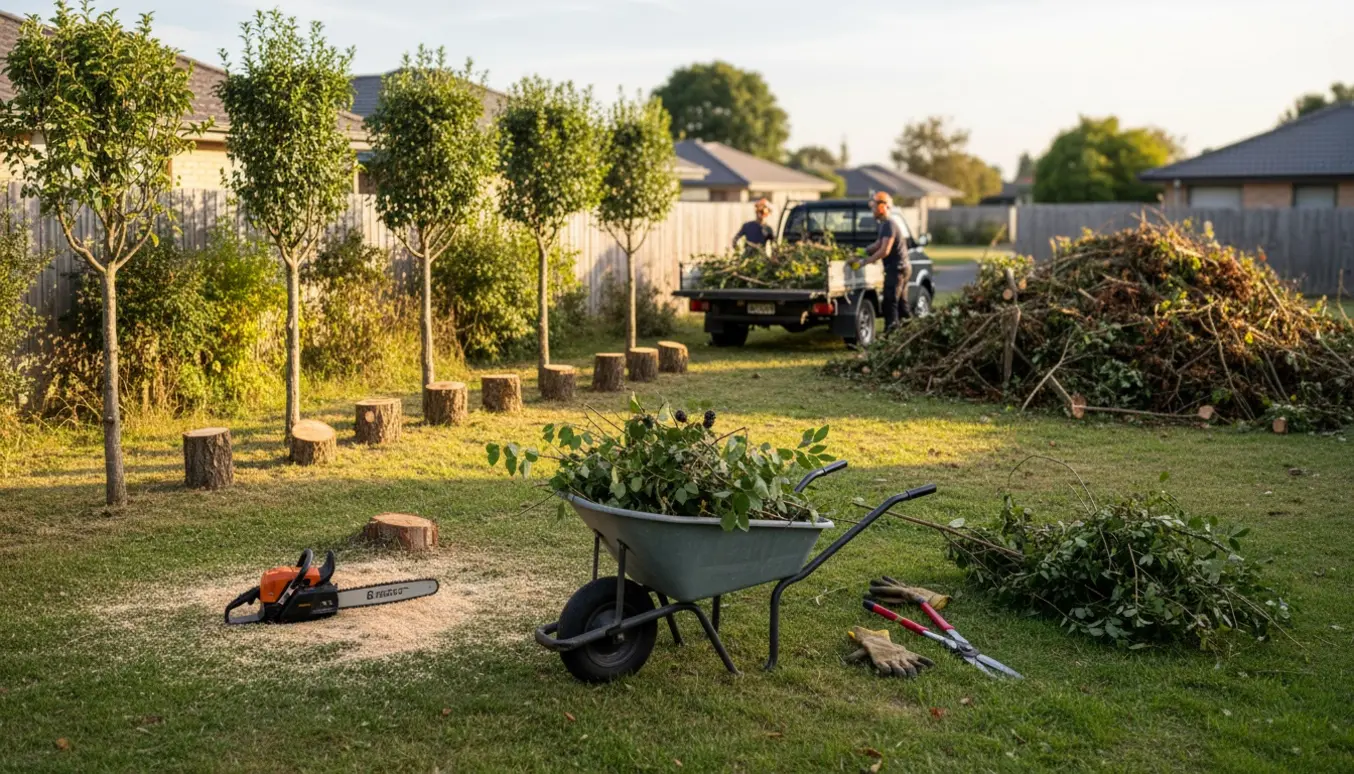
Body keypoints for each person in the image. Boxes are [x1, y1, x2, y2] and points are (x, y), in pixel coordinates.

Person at [860, 191, 911, 329]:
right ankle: (909, 331)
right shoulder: (884, 224)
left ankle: (891, 333)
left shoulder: (889, 224)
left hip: (897, 269)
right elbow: (878, 244)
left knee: (890, 302)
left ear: (883, 207)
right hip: (902, 268)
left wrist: (865, 261)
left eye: (875, 206)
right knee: (901, 303)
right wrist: (863, 251)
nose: (873, 210)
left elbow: (884, 250)